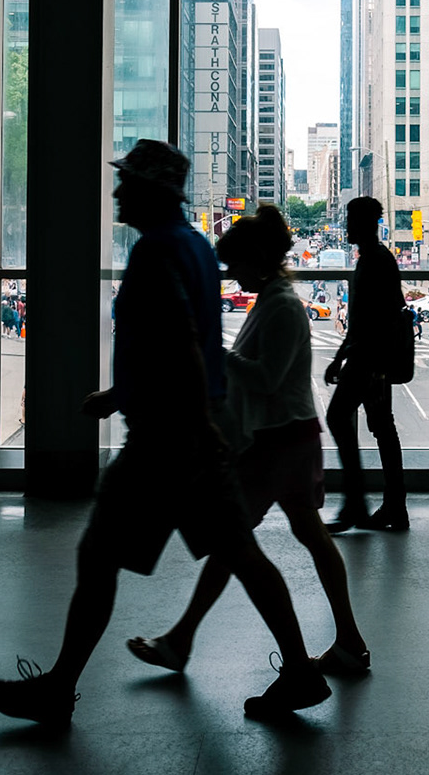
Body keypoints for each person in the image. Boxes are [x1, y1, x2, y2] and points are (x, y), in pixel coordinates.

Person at [0, 140, 329, 725]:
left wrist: (181, 423)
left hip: (168, 438)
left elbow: (184, 347)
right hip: (197, 430)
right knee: (240, 551)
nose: (117, 191)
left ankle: (58, 689)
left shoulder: (156, 251)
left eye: (126, 183)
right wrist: (128, 397)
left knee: (98, 554)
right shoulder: (192, 245)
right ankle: (298, 670)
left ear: (151, 192)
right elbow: (179, 340)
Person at [126, 205, 372, 679]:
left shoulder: (281, 306)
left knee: (231, 540)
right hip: (290, 438)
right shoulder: (275, 300)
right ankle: (348, 640)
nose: (232, 276)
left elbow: (265, 379)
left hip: (275, 444)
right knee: (298, 537)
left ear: (257, 258)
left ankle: (183, 640)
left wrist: (214, 353)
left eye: (236, 265)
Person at [323, 196, 410, 533]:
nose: (346, 226)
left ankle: (361, 502)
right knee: (382, 429)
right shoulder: (375, 258)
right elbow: (365, 319)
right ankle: (391, 505)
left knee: (343, 418)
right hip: (370, 358)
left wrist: (342, 358)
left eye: (350, 220)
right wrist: (339, 357)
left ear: (364, 223)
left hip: (369, 360)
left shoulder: (375, 261)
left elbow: (370, 321)